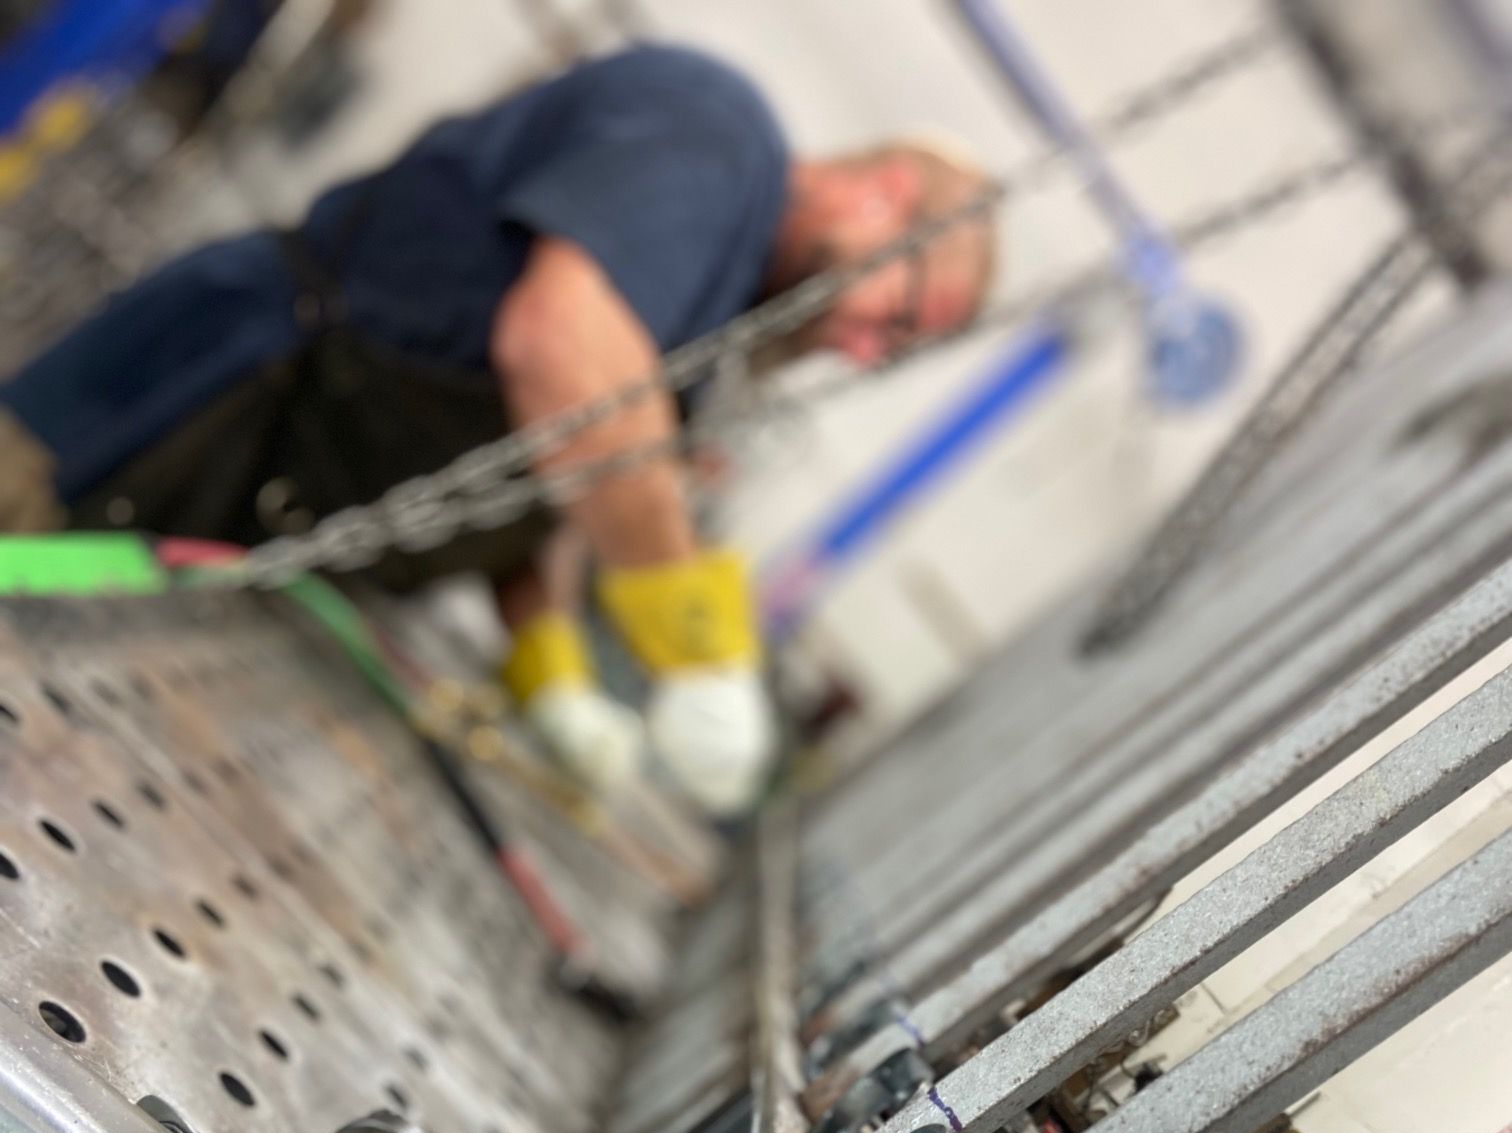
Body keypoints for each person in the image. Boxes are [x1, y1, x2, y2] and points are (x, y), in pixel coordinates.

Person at [0, 43, 994, 814]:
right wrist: (691, 637)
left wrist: (550, 665)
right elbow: (558, 346)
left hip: (260, 527)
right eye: (897, 318)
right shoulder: (717, 134)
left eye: (894, 355)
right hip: (191, 402)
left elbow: (554, 490)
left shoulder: (716, 320)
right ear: (886, 196)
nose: (866, 352)